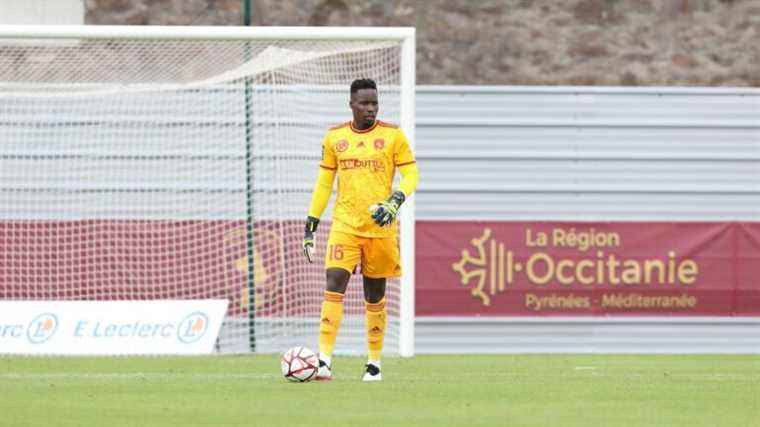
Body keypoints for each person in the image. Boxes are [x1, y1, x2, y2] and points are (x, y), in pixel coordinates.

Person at [302, 78, 419, 382]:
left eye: (374, 103)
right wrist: (311, 223)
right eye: (364, 103)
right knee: (334, 279)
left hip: (380, 228)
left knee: (375, 293)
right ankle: (324, 359)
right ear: (351, 104)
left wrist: (396, 200)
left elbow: (411, 174)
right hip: (345, 224)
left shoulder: (393, 136)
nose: (370, 109)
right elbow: (325, 183)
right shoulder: (335, 137)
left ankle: (374, 362)